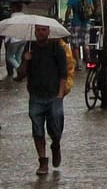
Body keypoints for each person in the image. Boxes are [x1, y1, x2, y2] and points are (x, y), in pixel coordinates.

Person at [17, 24, 73, 176]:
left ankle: (56, 145)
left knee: (56, 125)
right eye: (38, 30)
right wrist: (26, 60)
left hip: (54, 95)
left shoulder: (56, 48)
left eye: (43, 30)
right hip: (36, 96)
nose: (40, 32)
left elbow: (63, 73)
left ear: (48, 31)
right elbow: (20, 75)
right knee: (37, 129)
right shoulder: (30, 47)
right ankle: (42, 161)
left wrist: (60, 94)